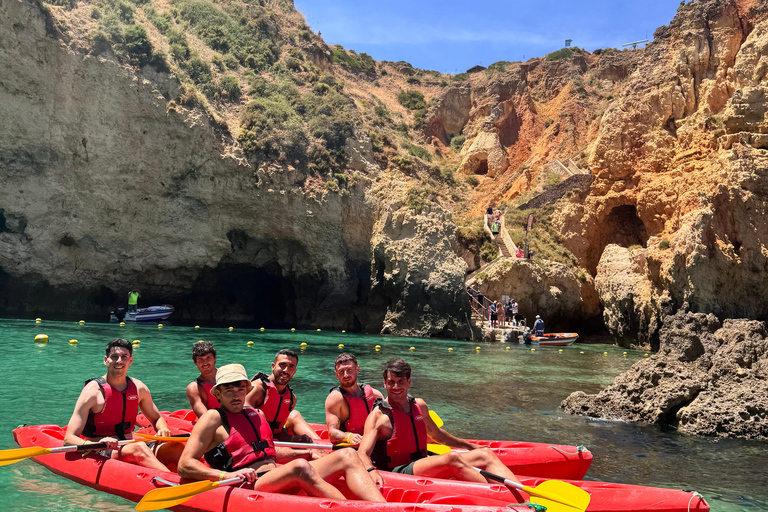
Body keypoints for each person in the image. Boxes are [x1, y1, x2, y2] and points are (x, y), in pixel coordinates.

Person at [177, 364, 386, 502]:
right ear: (218, 394)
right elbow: (185, 465)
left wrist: (301, 452)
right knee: (300, 468)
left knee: (347, 454)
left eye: (240, 389)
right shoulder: (213, 418)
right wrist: (226, 475)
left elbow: (267, 451)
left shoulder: (255, 414)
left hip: (276, 474)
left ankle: (383, 507)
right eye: (229, 390)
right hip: (249, 485)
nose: (236, 395)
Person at [357, 359, 520, 485]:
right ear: (384, 383)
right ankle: (500, 495)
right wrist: (371, 470)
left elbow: (437, 435)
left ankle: (524, 496)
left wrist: (470, 446)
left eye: (400, 382)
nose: (395, 387)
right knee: (452, 459)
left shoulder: (419, 405)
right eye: (391, 382)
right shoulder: (379, 417)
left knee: (486, 454)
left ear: (409, 382)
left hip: (421, 462)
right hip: (398, 471)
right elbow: (362, 453)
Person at [63, 339, 182, 471]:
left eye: (124, 357)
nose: (119, 361)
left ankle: (196, 479)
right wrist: (99, 444)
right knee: (139, 448)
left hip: (128, 443)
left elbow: (157, 418)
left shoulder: (139, 388)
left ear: (130, 360)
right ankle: (174, 483)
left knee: (175, 447)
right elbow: (69, 439)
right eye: (114, 357)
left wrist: (162, 428)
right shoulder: (92, 393)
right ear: (105, 360)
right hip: (100, 449)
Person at [245, 349, 321, 443]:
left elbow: (278, 432)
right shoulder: (257, 389)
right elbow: (240, 424)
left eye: (291, 367)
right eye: (282, 365)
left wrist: (294, 439)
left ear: (294, 371)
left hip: (272, 441)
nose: (286, 370)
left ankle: (320, 444)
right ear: (273, 366)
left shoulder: (292, 399)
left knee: (296, 416)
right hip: (254, 442)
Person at [325, 353, 384, 445]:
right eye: (341, 372)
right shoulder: (335, 398)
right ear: (336, 374)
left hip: (373, 444)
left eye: (349, 370)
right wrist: (348, 436)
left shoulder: (375, 395)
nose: (346, 375)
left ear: (357, 369)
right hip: (350, 448)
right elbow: (332, 434)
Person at [186, 341, 219, 419]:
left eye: (209, 358)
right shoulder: (194, 388)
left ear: (215, 358)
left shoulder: (229, 376)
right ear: (195, 362)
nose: (205, 363)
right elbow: (205, 419)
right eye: (200, 360)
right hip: (214, 424)